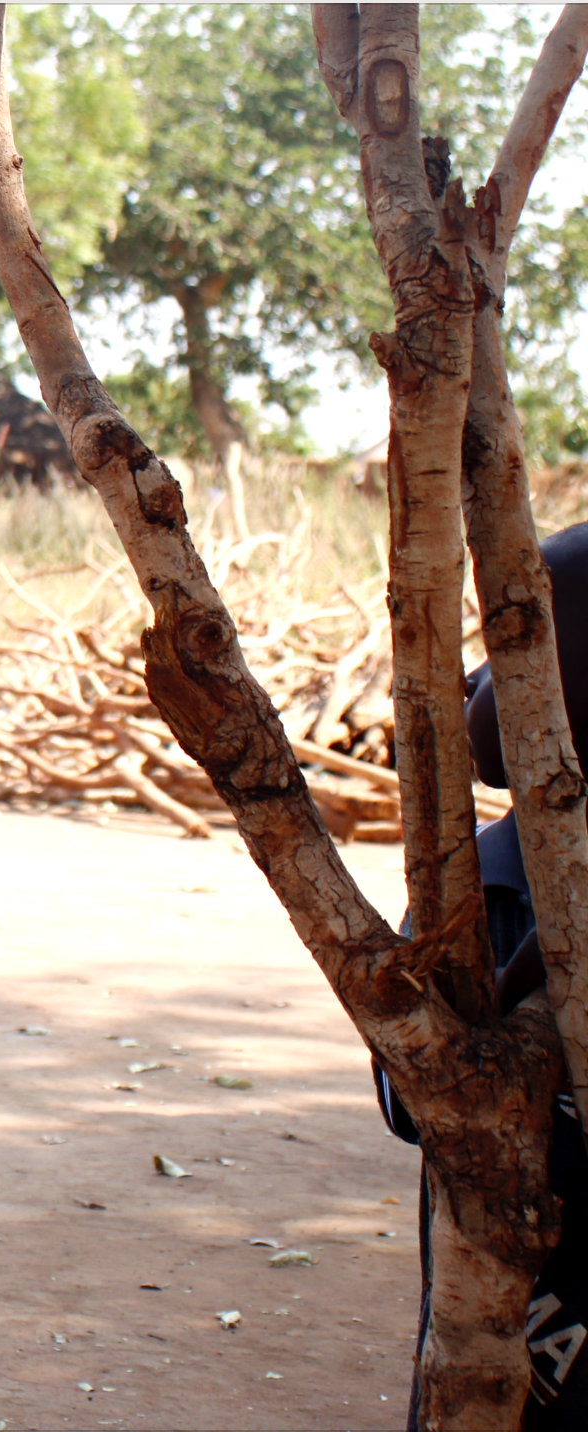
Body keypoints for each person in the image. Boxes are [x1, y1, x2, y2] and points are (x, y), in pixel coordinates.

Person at [376, 522, 587, 1427]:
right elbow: (414, 1099)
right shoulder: (479, 880)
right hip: (511, 1354)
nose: (467, 678)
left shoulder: (489, 881)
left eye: (503, 651)